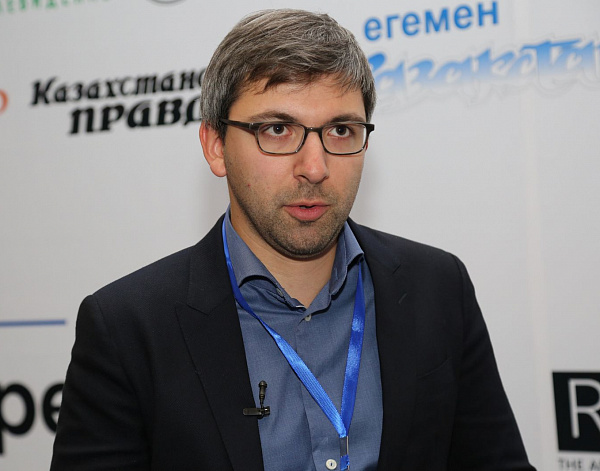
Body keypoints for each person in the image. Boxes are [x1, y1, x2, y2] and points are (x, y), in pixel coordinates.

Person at [51, 9, 536, 471]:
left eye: (341, 130)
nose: (315, 167)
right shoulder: (127, 328)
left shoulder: (438, 287)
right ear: (216, 146)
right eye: (278, 129)